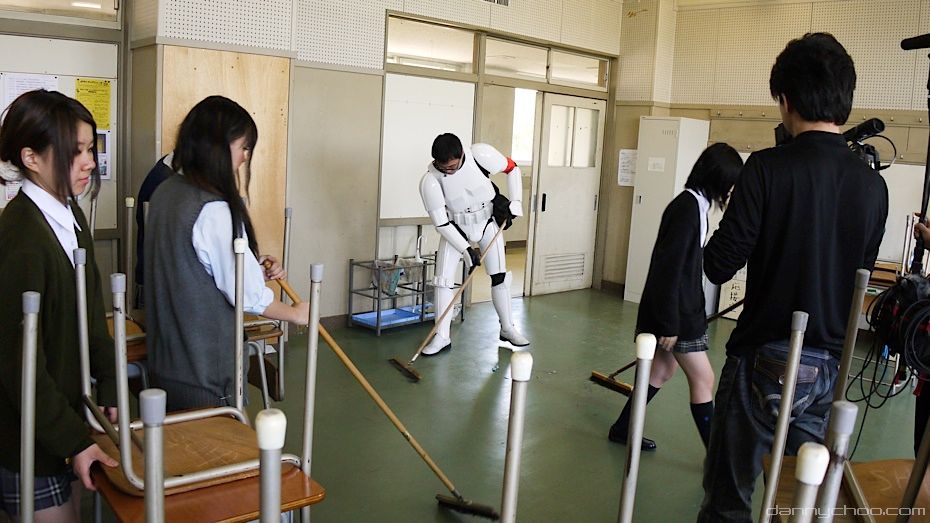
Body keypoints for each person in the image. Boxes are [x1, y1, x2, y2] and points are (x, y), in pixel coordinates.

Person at [697, 33, 888, 522]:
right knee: (798, 501)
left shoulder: (765, 168)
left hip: (763, 354)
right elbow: (859, 278)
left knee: (728, 499)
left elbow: (719, 262)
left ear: (785, 99)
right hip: (828, 369)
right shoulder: (873, 185)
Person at [144, 96, 308, 412]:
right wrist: (297, 313)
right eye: (243, 147)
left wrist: (251, 265)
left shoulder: (167, 191)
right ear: (217, 146)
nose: (245, 157)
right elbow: (247, 295)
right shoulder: (214, 209)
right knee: (218, 452)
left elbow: (190, 266)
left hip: (166, 363)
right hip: (206, 373)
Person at [0, 89, 119, 522]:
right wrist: (73, 440)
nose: (89, 162)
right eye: (76, 151)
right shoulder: (22, 240)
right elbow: (19, 366)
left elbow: (92, 317)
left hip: (62, 421)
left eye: (91, 149)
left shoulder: (69, 215)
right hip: (29, 436)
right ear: (31, 157)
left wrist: (109, 385)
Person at [608, 143, 743, 452]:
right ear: (718, 179)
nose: (733, 189)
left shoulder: (696, 204)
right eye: (732, 182)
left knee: (660, 370)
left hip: (679, 311)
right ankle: (716, 458)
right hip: (677, 316)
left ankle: (622, 428)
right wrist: (668, 324)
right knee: (704, 379)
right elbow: (668, 271)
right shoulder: (687, 208)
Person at [419, 133, 529, 355]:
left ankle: (507, 328)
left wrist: (516, 201)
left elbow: (512, 168)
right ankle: (442, 336)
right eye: (444, 167)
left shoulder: (480, 154)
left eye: (452, 166)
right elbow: (441, 223)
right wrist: (467, 250)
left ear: (461, 156)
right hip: (455, 227)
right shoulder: (430, 181)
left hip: (487, 220)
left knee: (499, 276)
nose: (448, 170)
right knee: (442, 281)